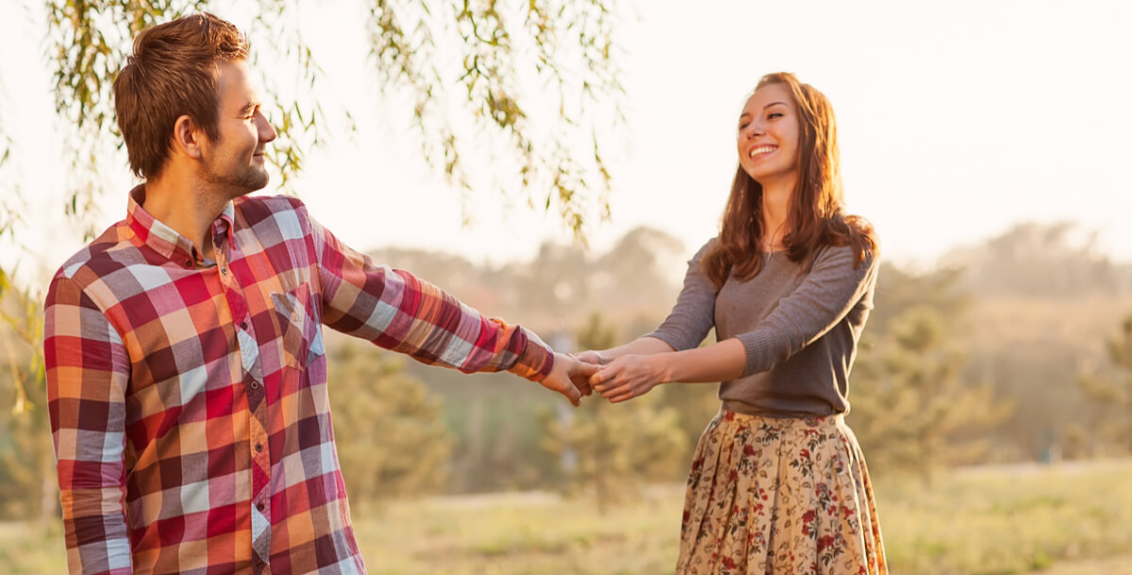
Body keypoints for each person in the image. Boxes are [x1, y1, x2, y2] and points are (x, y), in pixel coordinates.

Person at [43, 13, 595, 575]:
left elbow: (406, 308)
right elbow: (93, 506)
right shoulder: (90, 292)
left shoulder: (288, 233)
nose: (269, 130)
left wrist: (536, 358)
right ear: (190, 136)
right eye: (248, 114)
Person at [580, 72, 887, 574]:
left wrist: (658, 372)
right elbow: (673, 336)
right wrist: (587, 361)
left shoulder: (847, 247)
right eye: (744, 123)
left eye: (773, 116)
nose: (754, 130)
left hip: (808, 464)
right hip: (731, 456)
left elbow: (772, 341)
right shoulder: (721, 253)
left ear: (813, 133)